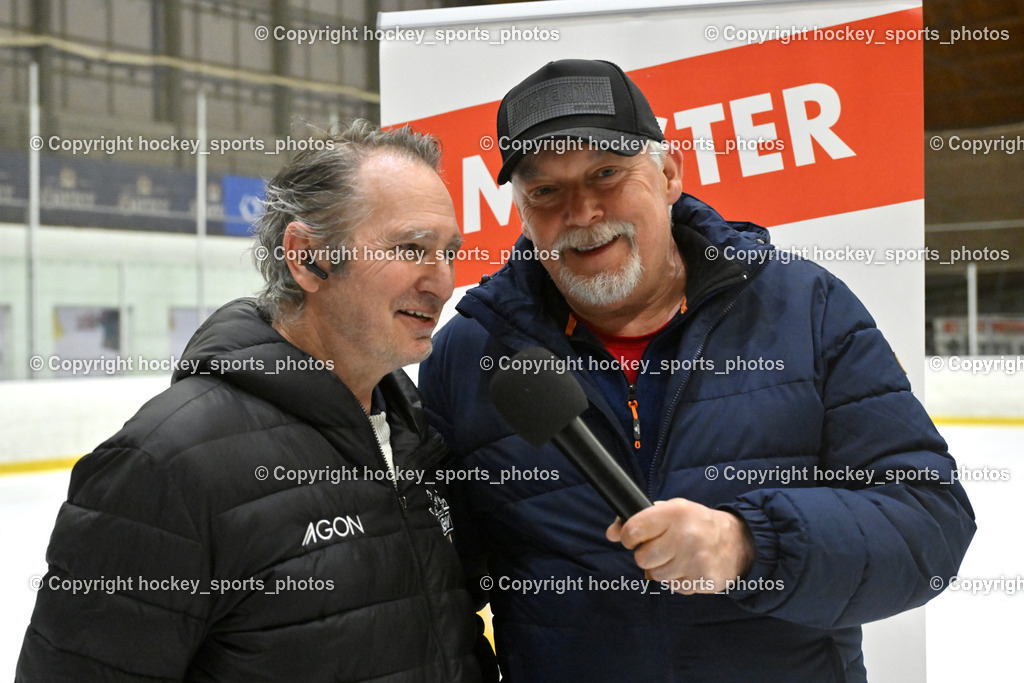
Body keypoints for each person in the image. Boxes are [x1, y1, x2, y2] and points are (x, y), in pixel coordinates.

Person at [419, 59, 976, 681]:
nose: (581, 212)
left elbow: (929, 522)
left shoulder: (806, 310)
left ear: (669, 175)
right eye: (545, 191)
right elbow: (438, 586)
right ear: (520, 209)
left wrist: (749, 544)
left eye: (607, 173)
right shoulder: (470, 354)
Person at [17, 120, 494, 682]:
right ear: (306, 257)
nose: (440, 281)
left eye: (448, 253)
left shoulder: (414, 432)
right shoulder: (166, 465)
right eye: (411, 248)